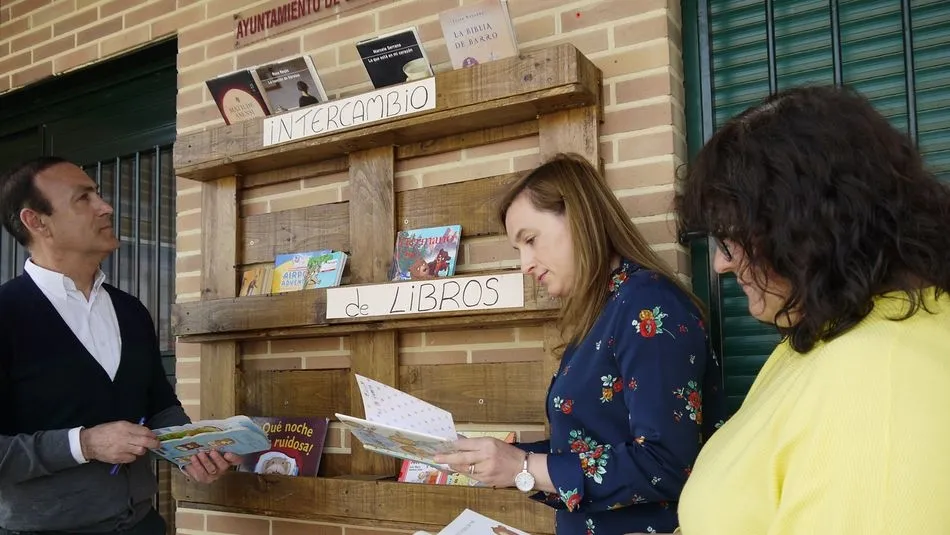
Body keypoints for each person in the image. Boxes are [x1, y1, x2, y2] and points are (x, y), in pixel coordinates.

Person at [669, 85, 950, 534]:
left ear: (809, 227)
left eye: (732, 238)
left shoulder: (880, 385)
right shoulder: (829, 333)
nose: (721, 262)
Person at [434, 153, 727, 534]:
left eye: (531, 240)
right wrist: (506, 459)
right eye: (518, 249)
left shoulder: (649, 306)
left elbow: (667, 463)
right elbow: (596, 445)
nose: (525, 264)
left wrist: (524, 467)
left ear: (579, 218)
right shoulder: (604, 310)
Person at [0, 157, 242, 534]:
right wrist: (85, 444)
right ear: (37, 221)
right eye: (84, 198)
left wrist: (192, 451)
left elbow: (159, 405)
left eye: (97, 194)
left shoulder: (130, 311)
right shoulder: (5, 313)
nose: (105, 206)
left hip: (143, 524)